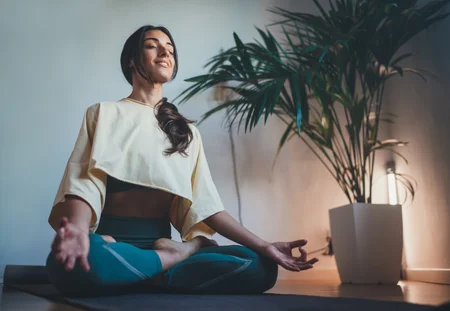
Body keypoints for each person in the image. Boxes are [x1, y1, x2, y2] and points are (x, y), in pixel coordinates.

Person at [45, 25, 319, 298]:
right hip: (111, 244)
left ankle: (140, 269)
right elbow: (84, 182)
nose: (165, 51)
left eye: (171, 49)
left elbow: (207, 206)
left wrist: (264, 246)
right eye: (152, 45)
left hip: (156, 242)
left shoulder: (187, 133)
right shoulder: (104, 113)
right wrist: (79, 233)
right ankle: (174, 259)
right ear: (131, 59)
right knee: (78, 261)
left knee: (260, 266)